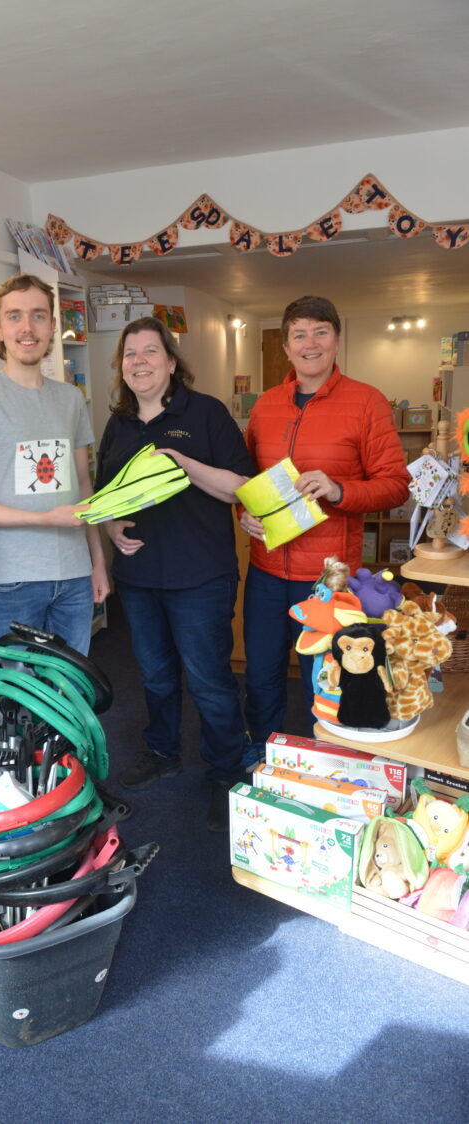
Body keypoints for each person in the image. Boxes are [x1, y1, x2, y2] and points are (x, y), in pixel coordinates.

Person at [95, 316, 256, 831]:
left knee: (210, 681)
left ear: (170, 361)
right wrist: (114, 527)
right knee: (156, 675)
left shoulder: (205, 413)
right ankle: (163, 751)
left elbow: (241, 487)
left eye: (149, 352)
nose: (139, 362)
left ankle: (226, 772)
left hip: (200, 576)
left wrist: (184, 463)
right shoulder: (118, 424)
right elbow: (104, 497)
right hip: (141, 578)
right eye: (130, 354)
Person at [240, 294, 411, 749]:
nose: (309, 343)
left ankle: (327, 762)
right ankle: (263, 753)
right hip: (266, 568)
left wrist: (339, 490)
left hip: (329, 578)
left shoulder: (366, 402)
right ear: (287, 345)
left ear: (336, 340)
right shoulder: (265, 406)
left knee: (327, 675)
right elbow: (248, 480)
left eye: (321, 332)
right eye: (299, 334)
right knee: (260, 672)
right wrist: (245, 513)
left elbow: (396, 485)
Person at [0, 273, 108, 656]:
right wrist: (45, 519)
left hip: (74, 574)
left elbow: (84, 487)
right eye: (15, 316)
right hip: (13, 579)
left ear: (53, 326)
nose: (27, 327)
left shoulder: (71, 399)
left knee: (72, 691)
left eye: (38, 316)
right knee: (22, 699)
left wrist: (98, 562)